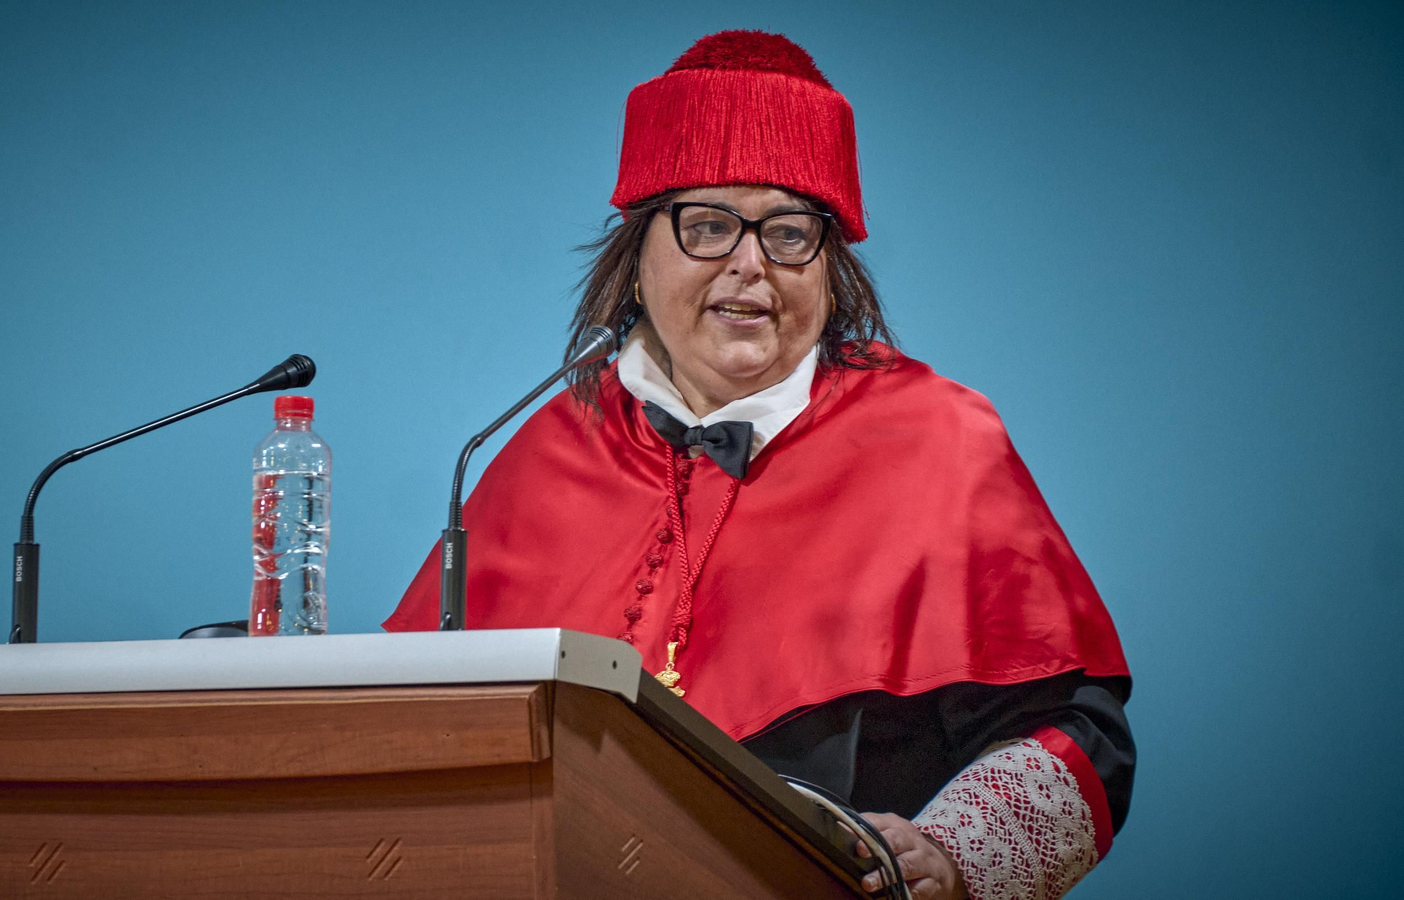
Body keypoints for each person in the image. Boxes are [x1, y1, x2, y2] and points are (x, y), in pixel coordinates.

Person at [385, 30, 1133, 900]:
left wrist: (954, 855)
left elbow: (1080, 736)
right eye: (707, 225)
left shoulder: (938, 438)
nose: (750, 264)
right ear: (637, 254)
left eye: (788, 231)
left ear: (831, 260)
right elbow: (426, 736)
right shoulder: (539, 449)